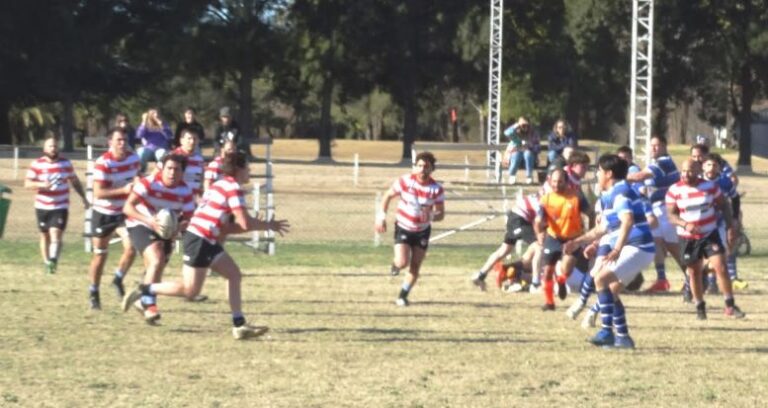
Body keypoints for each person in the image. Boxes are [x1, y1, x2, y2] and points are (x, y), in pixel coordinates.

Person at [122, 152, 289, 339]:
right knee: (190, 291)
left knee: (233, 274)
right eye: (247, 167)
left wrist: (254, 225)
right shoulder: (232, 188)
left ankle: (239, 325)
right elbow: (244, 224)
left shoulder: (220, 184)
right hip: (200, 239)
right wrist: (268, 225)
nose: (249, 170)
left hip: (206, 238)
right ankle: (144, 289)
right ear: (238, 169)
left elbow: (226, 227)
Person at [563, 154, 655, 349]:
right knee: (610, 292)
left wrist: (617, 249)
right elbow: (601, 229)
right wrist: (577, 242)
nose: (596, 174)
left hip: (639, 246)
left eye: (598, 171)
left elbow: (628, 220)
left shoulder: (620, 192)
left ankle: (607, 332)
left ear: (608, 173)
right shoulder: (610, 195)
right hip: (636, 247)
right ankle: (623, 338)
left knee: (600, 279)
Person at [665, 158, 745, 320]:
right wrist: (685, 224)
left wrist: (730, 227)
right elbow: (671, 215)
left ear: (698, 171)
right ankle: (700, 307)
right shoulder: (674, 190)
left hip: (709, 234)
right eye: (684, 171)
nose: (686, 174)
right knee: (694, 272)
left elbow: (724, 205)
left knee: (720, 266)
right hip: (687, 238)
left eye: (691, 171)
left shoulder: (710, 187)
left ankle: (729, 305)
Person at [122, 154, 195, 323]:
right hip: (140, 223)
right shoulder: (148, 183)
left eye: (177, 169)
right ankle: (150, 306)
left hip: (166, 229)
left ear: (182, 172)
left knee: (157, 269)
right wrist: (149, 220)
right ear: (162, 168)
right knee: (156, 259)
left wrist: (179, 227)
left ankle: (141, 298)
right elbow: (127, 207)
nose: (172, 173)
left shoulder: (185, 190)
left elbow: (188, 218)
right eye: (169, 168)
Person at [375, 152, 445, 306]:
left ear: (432, 169)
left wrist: (432, 215)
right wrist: (381, 217)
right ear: (415, 167)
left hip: (422, 231)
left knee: (415, 265)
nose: (422, 169)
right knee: (402, 262)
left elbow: (441, 215)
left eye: (426, 166)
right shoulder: (405, 181)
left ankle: (402, 296)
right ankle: (396, 265)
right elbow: (387, 196)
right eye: (419, 166)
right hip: (404, 227)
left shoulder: (436, 189)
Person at [87, 128, 140, 309]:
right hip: (103, 213)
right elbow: (98, 193)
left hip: (124, 212)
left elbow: (136, 180)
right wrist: (123, 190)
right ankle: (94, 291)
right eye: (118, 140)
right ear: (110, 142)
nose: (122, 143)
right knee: (100, 256)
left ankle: (117, 279)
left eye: (125, 140)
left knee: (132, 247)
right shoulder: (103, 163)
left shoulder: (134, 159)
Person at [626, 135, 686, 296]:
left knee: (673, 247)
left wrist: (618, 178)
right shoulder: (655, 163)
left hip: (667, 209)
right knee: (656, 243)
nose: (653, 148)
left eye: (657, 145)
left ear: (665, 147)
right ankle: (661, 280)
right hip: (657, 210)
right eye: (651, 145)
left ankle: (693, 278)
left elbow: (639, 177)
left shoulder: (664, 162)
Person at [24, 136, 89, 274]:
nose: (53, 149)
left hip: (60, 205)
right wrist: (42, 185)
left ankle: (53, 260)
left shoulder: (65, 164)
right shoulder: (37, 164)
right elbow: (27, 184)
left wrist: (84, 197)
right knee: (45, 236)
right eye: (50, 146)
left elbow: (74, 181)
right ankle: (47, 262)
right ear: (44, 149)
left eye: (55, 146)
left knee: (56, 233)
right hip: (42, 206)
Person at [535, 168, 590, 311]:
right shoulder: (546, 199)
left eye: (560, 181)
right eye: (554, 181)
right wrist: (539, 233)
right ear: (549, 181)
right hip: (553, 237)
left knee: (566, 269)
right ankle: (549, 303)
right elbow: (538, 221)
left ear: (566, 182)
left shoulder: (576, 197)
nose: (556, 184)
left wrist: (589, 234)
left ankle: (561, 280)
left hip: (573, 239)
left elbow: (591, 214)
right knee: (547, 271)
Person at [470, 190, 540, 291]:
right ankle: (535, 284)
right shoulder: (549, 199)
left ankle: (480, 276)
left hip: (515, 217)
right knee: (539, 246)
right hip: (519, 219)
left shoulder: (546, 193)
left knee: (504, 250)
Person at [701, 154, 747, 291]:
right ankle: (703, 279)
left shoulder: (725, 182)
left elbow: (735, 198)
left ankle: (711, 283)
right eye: (709, 165)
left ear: (719, 167)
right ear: (703, 166)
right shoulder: (697, 181)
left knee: (718, 253)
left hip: (719, 223)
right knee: (702, 255)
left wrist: (734, 218)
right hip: (700, 224)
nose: (711, 168)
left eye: (715, 165)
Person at [502, 116, 541, 184]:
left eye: (526, 125)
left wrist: (529, 147)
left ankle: (529, 176)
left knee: (527, 153)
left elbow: (538, 147)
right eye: (522, 125)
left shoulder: (533, 133)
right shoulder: (516, 134)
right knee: (517, 154)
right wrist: (517, 125)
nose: (524, 126)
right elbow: (507, 133)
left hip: (529, 160)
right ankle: (512, 175)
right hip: (516, 160)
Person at [136, 108, 172, 173]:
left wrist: (162, 126)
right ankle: (141, 172)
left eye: (157, 113)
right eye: (153, 113)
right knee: (140, 152)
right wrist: (143, 122)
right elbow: (139, 135)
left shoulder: (164, 124)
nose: (156, 115)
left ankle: (161, 173)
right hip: (149, 149)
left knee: (162, 154)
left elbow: (169, 136)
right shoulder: (146, 125)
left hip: (161, 148)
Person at [170, 128, 205, 196]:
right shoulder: (172, 157)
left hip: (192, 200)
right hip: (175, 197)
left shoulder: (199, 159)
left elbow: (200, 180)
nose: (192, 141)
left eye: (195, 139)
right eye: (189, 138)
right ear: (181, 140)